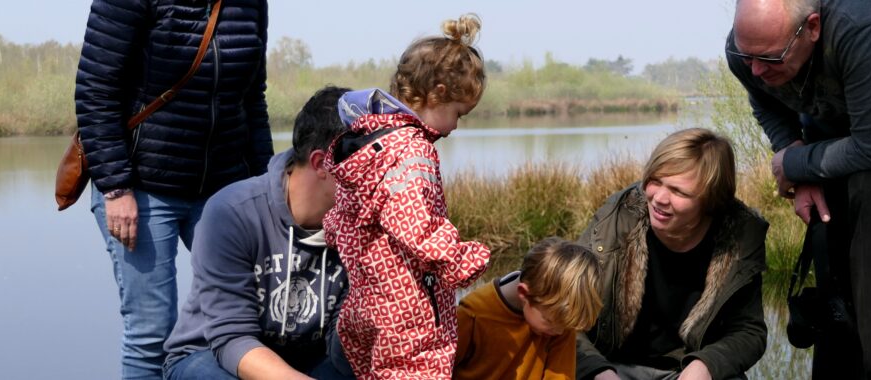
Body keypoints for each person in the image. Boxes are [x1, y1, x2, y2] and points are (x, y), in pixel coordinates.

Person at [727, 0, 871, 378]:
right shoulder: (750, 46)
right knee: (830, 219)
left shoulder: (864, 26)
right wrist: (795, 156)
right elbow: (766, 103)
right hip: (838, 106)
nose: (754, 69)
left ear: (813, 27)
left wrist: (791, 165)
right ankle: (837, 364)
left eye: (769, 59)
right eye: (747, 56)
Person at [74, 0, 272, 378]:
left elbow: (252, 99)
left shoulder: (251, 4)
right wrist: (116, 187)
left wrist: (264, 189)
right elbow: (95, 90)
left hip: (224, 188)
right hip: (142, 189)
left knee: (248, 317)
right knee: (151, 334)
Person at [320, 14, 492, 379]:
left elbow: (338, 222)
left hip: (366, 305)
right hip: (409, 314)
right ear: (438, 95)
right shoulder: (412, 151)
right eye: (459, 114)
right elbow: (417, 226)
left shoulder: (367, 145)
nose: (456, 126)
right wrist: (463, 259)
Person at [160, 86, 351, 379]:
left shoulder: (361, 223)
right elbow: (232, 338)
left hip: (306, 359)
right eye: (363, 161)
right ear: (321, 163)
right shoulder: (231, 211)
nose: (375, 174)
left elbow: (343, 346)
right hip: (209, 354)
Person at [575, 128, 769, 380]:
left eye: (679, 192)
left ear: (710, 200)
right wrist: (597, 371)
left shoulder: (742, 234)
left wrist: (706, 366)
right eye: (655, 181)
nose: (659, 198)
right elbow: (564, 313)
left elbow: (749, 330)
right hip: (612, 366)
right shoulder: (617, 218)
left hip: (689, 370)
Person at [454, 237, 604, 380]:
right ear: (524, 294)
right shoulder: (472, 316)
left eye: (564, 327)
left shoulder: (559, 321)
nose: (559, 332)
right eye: (549, 321)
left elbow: (560, 375)